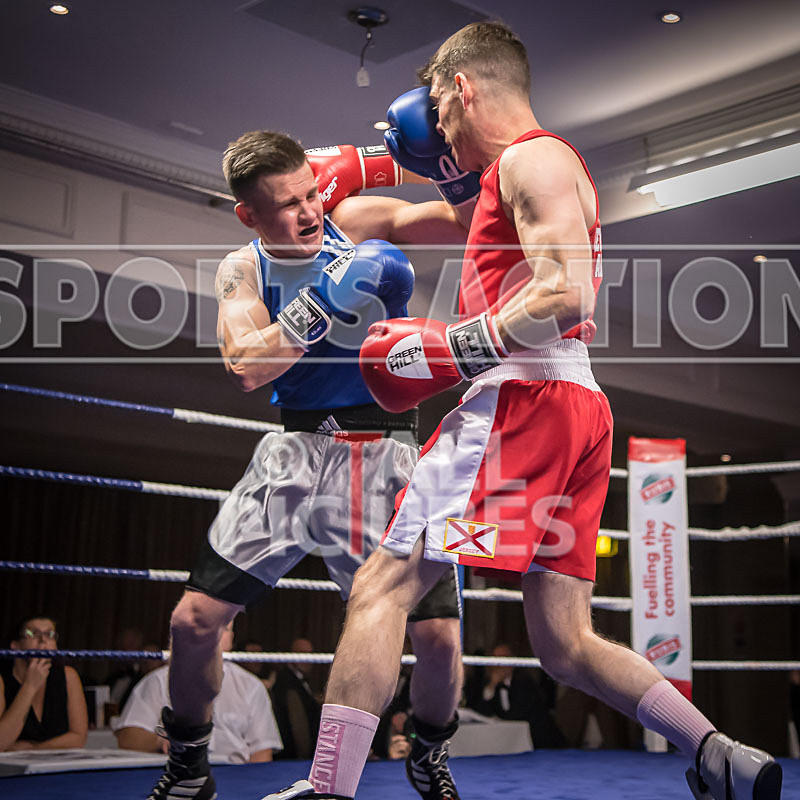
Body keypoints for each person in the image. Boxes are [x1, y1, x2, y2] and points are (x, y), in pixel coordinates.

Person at [267, 21, 783, 800]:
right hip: (576, 405)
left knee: (383, 584)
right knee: (564, 642)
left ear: (462, 90)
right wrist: (363, 168)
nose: (438, 130)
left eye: (439, 110)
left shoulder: (530, 159)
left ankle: (328, 789)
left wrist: (454, 347)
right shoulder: (515, 178)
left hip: (521, 397)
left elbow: (566, 293)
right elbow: (395, 221)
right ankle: (716, 752)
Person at [147, 130, 477, 800]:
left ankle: (428, 752)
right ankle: (188, 765)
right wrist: (324, 300)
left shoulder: (353, 218)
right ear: (249, 215)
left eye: (310, 194)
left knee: (440, 638)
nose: (308, 213)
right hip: (296, 454)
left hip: (387, 451)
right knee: (192, 622)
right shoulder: (242, 268)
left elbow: (470, 222)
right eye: (287, 204)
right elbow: (245, 366)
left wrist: (424, 162)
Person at [116, 619, 281, 763]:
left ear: (231, 639)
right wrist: (161, 742)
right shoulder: (158, 681)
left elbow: (262, 752)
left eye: (223, 628)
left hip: (235, 776)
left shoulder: (251, 686)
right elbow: (127, 739)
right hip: (174, 775)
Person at [0, 616, 88, 751]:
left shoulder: (68, 676)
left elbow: (78, 738)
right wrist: (30, 686)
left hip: (57, 762)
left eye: (50, 635)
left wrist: (34, 748)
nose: (43, 640)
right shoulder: (2, 680)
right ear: (15, 646)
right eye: (33, 634)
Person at [466, 644, 564, 748]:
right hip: (510, 741)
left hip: (540, 740)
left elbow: (516, 715)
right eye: (495, 659)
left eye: (503, 659)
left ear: (512, 661)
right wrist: (492, 686)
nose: (499, 664)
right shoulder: (490, 684)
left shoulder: (524, 681)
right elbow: (482, 712)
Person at [270, 638, 321, 759]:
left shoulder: (297, 680)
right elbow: (298, 726)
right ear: (292, 655)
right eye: (302, 654)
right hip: (294, 758)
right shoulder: (287, 682)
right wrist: (304, 757)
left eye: (310, 654)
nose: (308, 659)